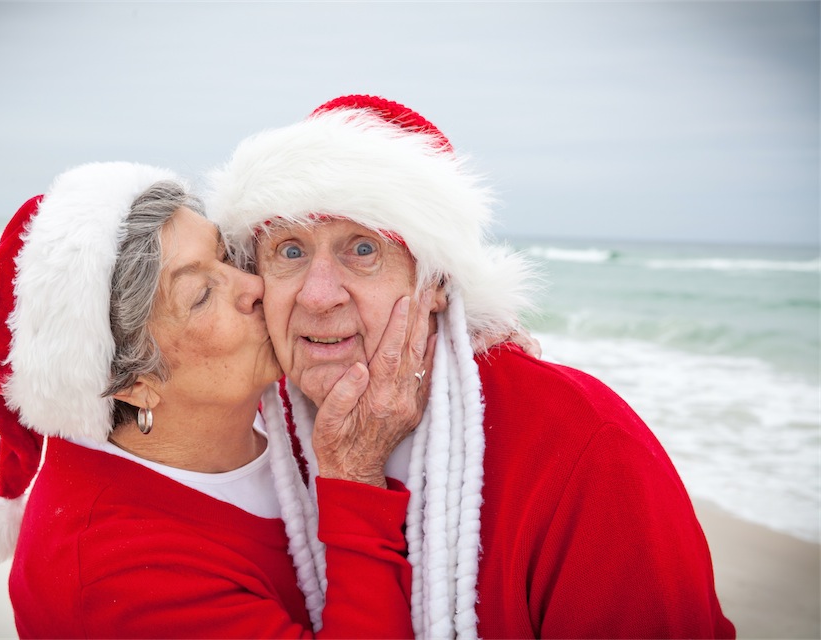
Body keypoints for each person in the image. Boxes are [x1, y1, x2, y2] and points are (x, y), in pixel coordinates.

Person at [208, 95, 737, 639]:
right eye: (289, 251)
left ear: (436, 280)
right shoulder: (239, 434)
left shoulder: (582, 440)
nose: (317, 297)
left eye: (362, 249)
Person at [0, 161, 432, 638]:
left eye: (226, 256)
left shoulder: (249, 405)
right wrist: (352, 475)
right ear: (133, 382)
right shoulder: (117, 573)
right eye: (201, 294)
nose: (256, 286)